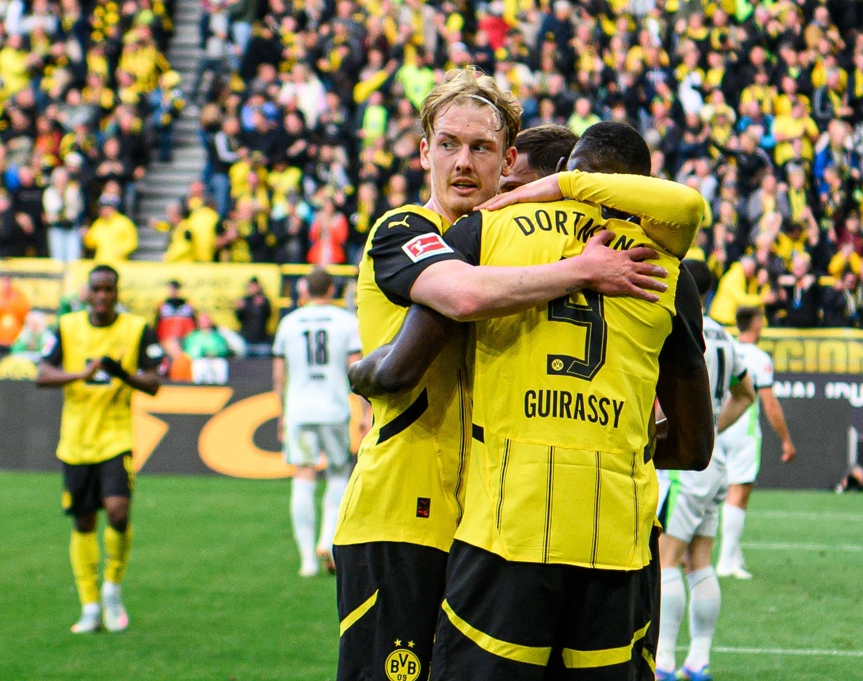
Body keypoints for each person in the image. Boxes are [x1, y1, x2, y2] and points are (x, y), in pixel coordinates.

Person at [333, 71, 678, 681]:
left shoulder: (514, 248)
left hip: (491, 524)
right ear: (424, 152)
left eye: (481, 147)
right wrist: (583, 270)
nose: (463, 163)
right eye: (448, 144)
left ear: (508, 160)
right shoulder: (403, 229)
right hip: (403, 513)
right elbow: (462, 296)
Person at [36, 264, 164, 634]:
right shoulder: (66, 327)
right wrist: (81, 375)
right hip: (76, 441)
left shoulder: (136, 329)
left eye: (110, 289)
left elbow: (154, 383)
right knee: (84, 521)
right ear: (88, 293)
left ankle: (112, 588)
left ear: (117, 292)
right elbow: (42, 374)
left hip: (116, 437)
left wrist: (122, 373)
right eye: (98, 289)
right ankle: (89, 605)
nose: (103, 296)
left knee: (118, 512)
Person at [655, 260, 756, 681]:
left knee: (665, 561)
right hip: (713, 460)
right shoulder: (724, 336)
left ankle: (662, 662)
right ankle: (698, 661)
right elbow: (745, 393)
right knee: (699, 561)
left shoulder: (678, 325)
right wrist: (713, 427)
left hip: (683, 462)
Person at [272, 268, 364, 577]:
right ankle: (327, 540)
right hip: (334, 409)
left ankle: (307, 561)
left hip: (299, 410)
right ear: (331, 290)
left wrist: (282, 412)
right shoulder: (346, 321)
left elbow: (279, 374)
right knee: (338, 474)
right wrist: (366, 412)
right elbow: (356, 369)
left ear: (304, 291)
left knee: (303, 475)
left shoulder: (289, 322)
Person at [715, 306, 796, 580]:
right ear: (756, 324)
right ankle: (725, 561)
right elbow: (770, 404)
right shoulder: (759, 358)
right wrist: (786, 440)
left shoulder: (726, 348)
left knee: (716, 494)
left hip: (718, 426)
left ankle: (731, 554)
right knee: (739, 493)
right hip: (742, 429)